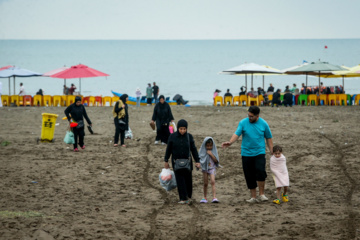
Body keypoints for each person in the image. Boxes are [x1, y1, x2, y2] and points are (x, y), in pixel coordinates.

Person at [221, 106, 273, 203]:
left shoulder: (264, 124)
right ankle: (253, 197)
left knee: (261, 172)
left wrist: (271, 150)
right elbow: (237, 134)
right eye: (248, 115)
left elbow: (269, 137)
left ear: (257, 116)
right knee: (249, 175)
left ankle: (261, 195)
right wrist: (230, 142)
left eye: (251, 116)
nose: (249, 118)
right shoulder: (243, 122)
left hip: (259, 152)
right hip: (246, 153)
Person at [164, 119, 201, 204]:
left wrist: (197, 160)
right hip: (176, 162)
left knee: (188, 180)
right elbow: (168, 149)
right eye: (181, 129)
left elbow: (193, 149)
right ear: (178, 128)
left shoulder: (189, 137)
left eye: (184, 129)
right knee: (180, 180)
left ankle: (188, 197)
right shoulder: (172, 137)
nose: (182, 131)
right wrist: (166, 160)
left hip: (188, 162)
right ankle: (182, 198)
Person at [199, 137, 219, 203]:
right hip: (205, 169)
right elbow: (200, 159)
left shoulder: (214, 151)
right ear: (205, 145)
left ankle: (214, 197)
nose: (209, 147)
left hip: (212, 168)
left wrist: (211, 154)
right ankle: (204, 197)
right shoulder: (202, 152)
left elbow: (216, 160)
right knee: (205, 183)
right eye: (207, 146)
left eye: (210, 146)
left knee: (213, 181)